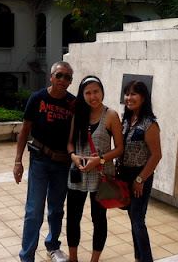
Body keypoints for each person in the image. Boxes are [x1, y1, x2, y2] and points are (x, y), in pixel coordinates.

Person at [14, 61, 76, 262]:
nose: (62, 79)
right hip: (40, 160)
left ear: (70, 81)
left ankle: (53, 246)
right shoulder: (37, 99)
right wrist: (18, 161)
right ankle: (27, 256)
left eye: (67, 77)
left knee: (57, 208)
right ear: (51, 76)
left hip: (62, 163)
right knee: (34, 210)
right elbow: (24, 131)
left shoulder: (73, 104)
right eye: (59, 75)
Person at [65, 76, 123, 262]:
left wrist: (99, 160)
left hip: (101, 175)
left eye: (96, 91)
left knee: (99, 218)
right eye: (88, 93)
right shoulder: (78, 115)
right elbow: (70, 144)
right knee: (73, 217)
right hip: (78, 174)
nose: (92, 96)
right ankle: (73, 258)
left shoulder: (111, 115)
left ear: (102, 91)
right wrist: (74, 156)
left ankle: (94, 260)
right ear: (82, 95)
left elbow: (120, 148)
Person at [117, 80, 162, 262]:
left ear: (143, 98)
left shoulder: (149, 124)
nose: (129, 98)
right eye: (127, 94)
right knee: (133, 220)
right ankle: (138, 258)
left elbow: (156, 155)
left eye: (134, 94)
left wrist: (140, 179)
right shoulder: (127, 120)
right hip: (125, 175)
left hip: (139, 178)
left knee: (138, 221)